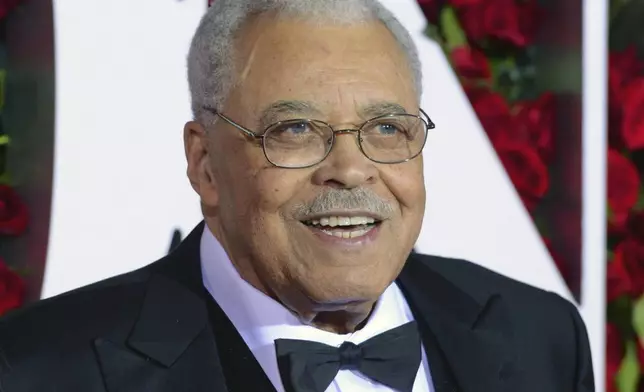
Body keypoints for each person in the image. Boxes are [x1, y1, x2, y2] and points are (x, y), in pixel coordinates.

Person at [0, 1, 594, 391]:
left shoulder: (540, 338)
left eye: (387, 128)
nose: (350, 171)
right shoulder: (39, 369)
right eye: (295, 130)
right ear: (205, 165)